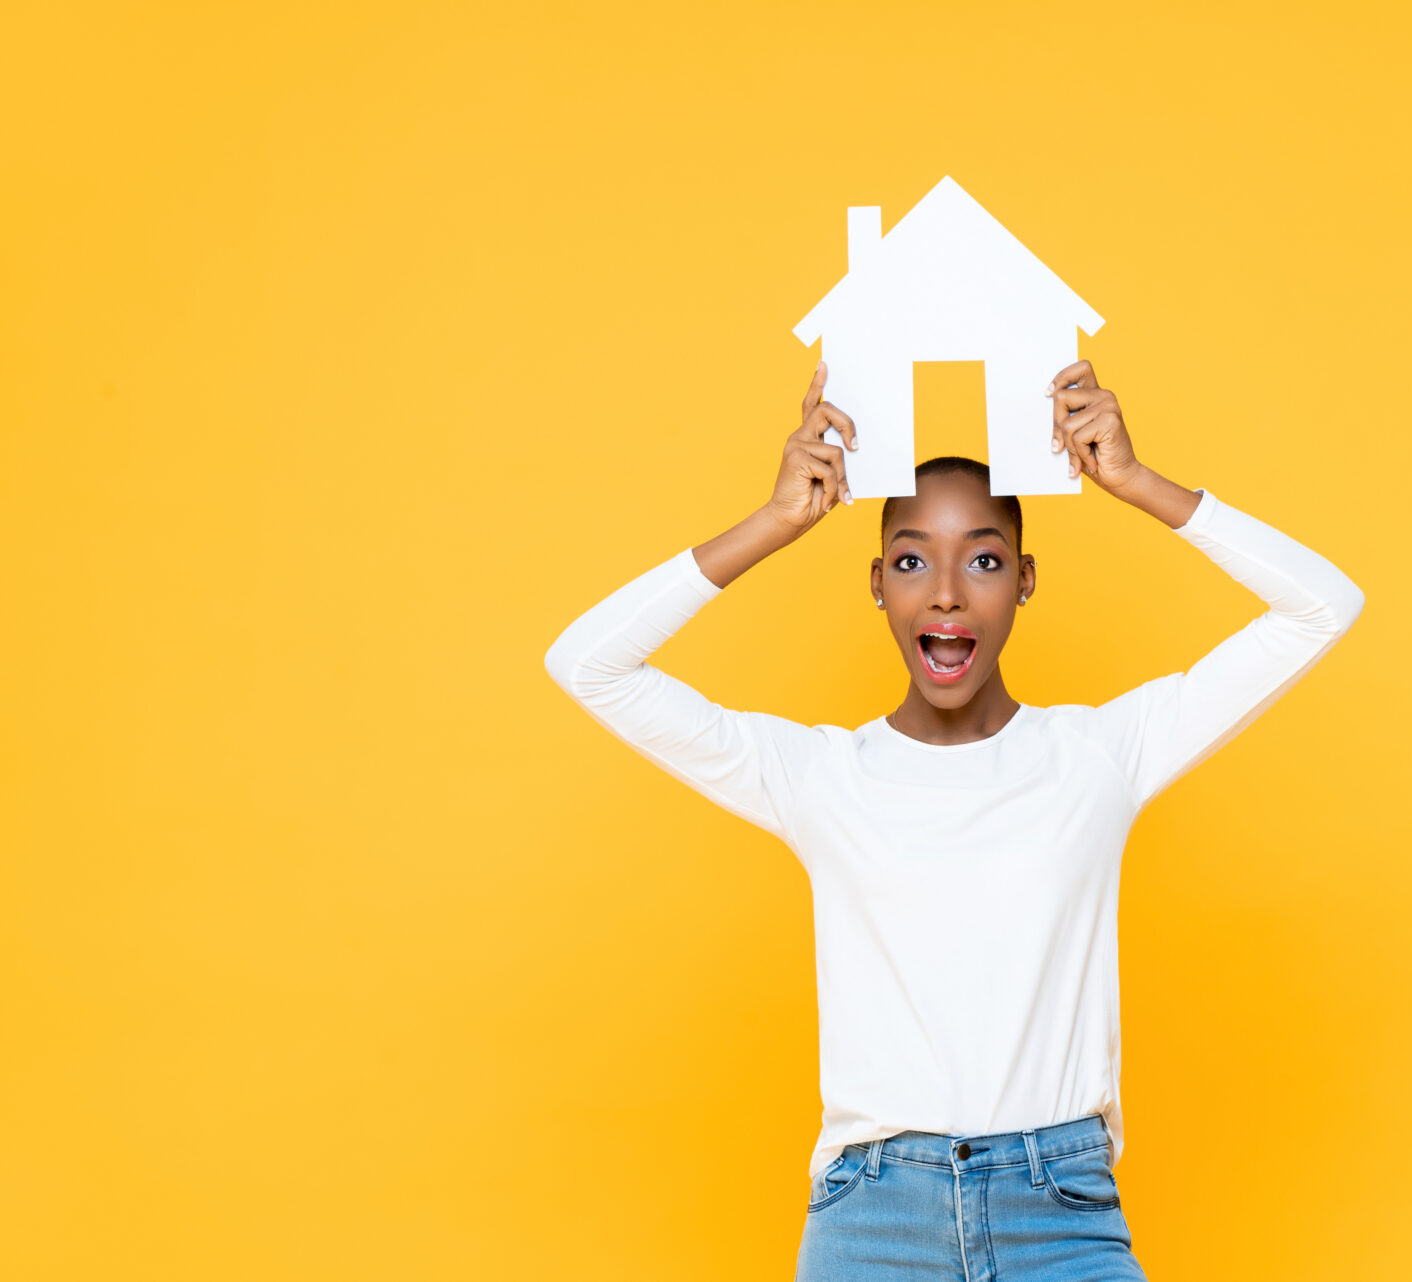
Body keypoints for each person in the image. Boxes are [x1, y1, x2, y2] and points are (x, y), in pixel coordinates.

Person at [543, 358, 1367, 1279]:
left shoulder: (1101, 756)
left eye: (981, 559)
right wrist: (777, 521)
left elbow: (1323, 606)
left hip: (1062, 1215)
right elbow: (587, 664)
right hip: (873, 1222)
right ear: (877, 584)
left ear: (1023, 580)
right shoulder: (821, 777)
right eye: (909, 560)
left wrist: (1135, 483)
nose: (945, 592)